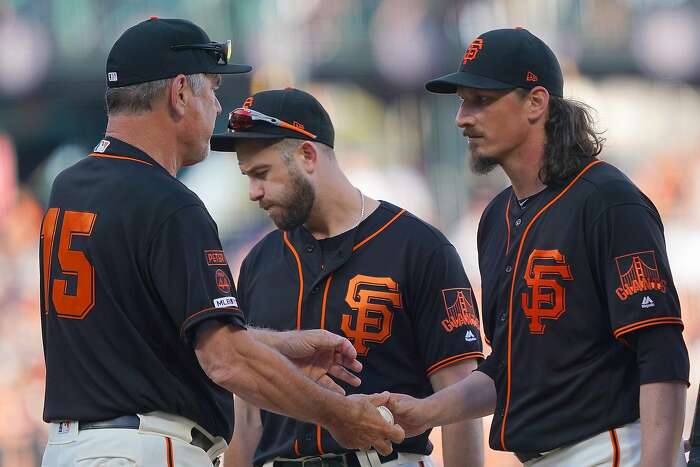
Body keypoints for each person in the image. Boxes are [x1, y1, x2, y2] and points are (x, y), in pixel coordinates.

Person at [39, 18, 403, 467]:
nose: (216, 105)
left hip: (73, 449)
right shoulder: (169, 203)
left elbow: (156, 336)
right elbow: (226, 360)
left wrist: (281, 350)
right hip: (144, 449)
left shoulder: (69, 186)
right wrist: (340, 415)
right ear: (179, 93)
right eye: (211, 89)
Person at [386, 27, 690, 466]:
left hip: (609, 450)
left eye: (481, 100)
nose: (463, 118)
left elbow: (660, 347)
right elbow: (505, 369)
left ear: (536, 102)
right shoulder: (496, 218)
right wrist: (425, 412)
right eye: (462, 101)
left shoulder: (605, 199)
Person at [209, 88, 485, 467]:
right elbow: (248, 415)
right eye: (248, 177)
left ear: (307, 155)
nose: (254, 192)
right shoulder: (259, 260)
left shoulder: (419, 248)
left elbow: (460, 403)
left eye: (262, 174)